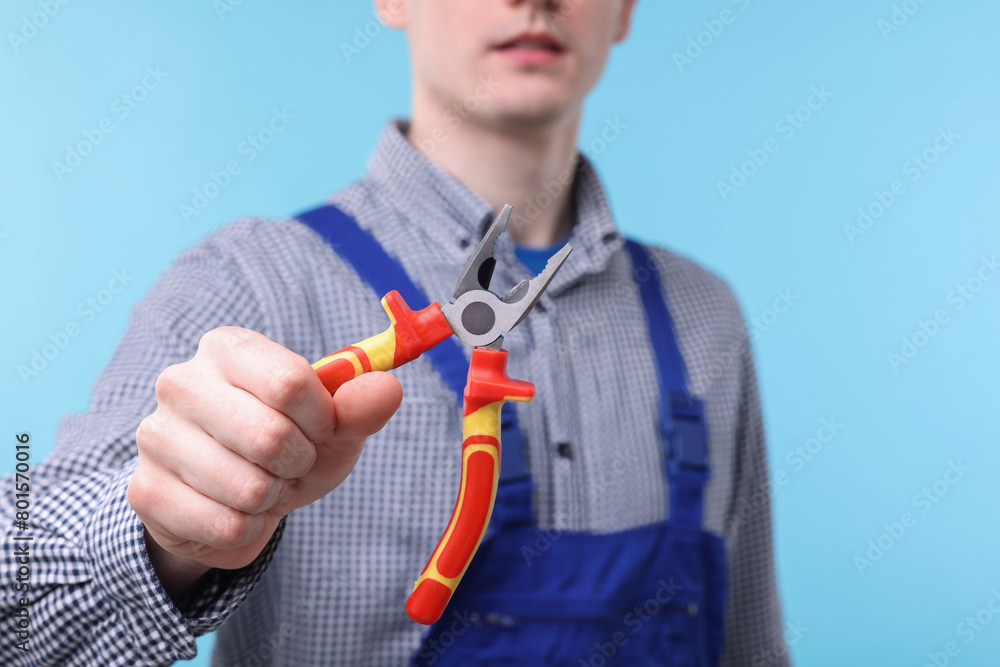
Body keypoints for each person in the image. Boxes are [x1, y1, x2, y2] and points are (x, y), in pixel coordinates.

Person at [0, 1, 790, 664]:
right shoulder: (250, 283)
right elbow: (17, 614)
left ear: (623, 9)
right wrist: (164, 533)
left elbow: (753, 645)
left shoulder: (704, 318)